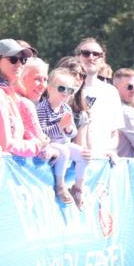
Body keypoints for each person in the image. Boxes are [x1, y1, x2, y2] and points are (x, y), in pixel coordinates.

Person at [0, 39, 52, 158]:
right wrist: (38, 145)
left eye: (23, 60)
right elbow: (5, 146)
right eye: (13, 59)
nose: (19, 64)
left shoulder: (7, 94)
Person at [38, 67, 89, 206]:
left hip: (63, 142)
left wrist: (68, 128)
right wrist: (60, 127)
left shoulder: (66, 108)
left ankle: (78, 188)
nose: (66, 93)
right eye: (62, 89)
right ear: (49, 88)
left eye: (70, 90)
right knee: (64, 152)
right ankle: (60, 185)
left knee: (83, 154)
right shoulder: (42, 108)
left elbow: (73, 133)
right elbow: (42, 133)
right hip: (50, 145)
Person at [71, 38, 123, 157]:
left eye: (96, 54)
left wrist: (107, 151)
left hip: (102, 162)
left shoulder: (111, 92)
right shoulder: (66, 89)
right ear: (77, 57)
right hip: (74, 162)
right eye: (86, 53)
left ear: (102, 60)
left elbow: (114, 133)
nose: (91, 57)